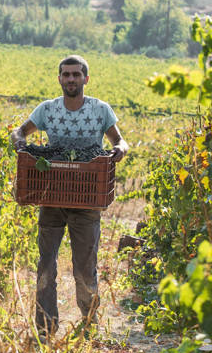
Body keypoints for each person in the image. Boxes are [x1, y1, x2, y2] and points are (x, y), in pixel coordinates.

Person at [10, 55, 128, 338]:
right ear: (60, 78)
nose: (71, 79)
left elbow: (119, 140)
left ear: (86, 78)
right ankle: (45, 329)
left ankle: (88, 327)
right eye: (66, 75)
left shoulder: (100, 110)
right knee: (46, 266)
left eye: (77, 74)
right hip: (52, 197)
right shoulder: (47, 110)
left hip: (87, 199)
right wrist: (20, 143)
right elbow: (20, 131)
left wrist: (121, 150)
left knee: (85, 268)